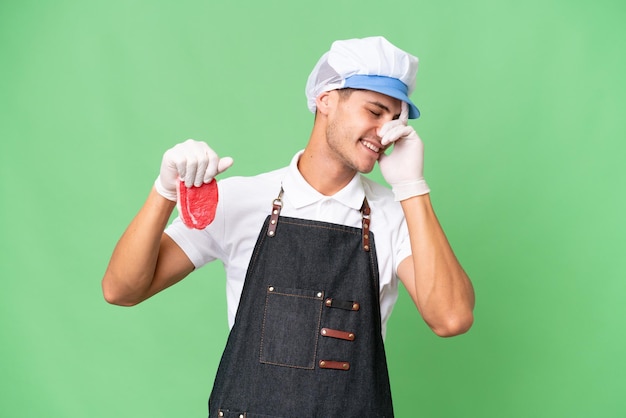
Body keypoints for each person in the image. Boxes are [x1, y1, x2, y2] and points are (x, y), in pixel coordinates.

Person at [102, 36, 475, 417]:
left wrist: (412, 188)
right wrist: (164, 191)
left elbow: (451, 318)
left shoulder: (395, 214)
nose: (385, 132)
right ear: (326, 98)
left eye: (395, 120)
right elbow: (122, 289)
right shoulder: (240, 200)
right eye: (375, 111)